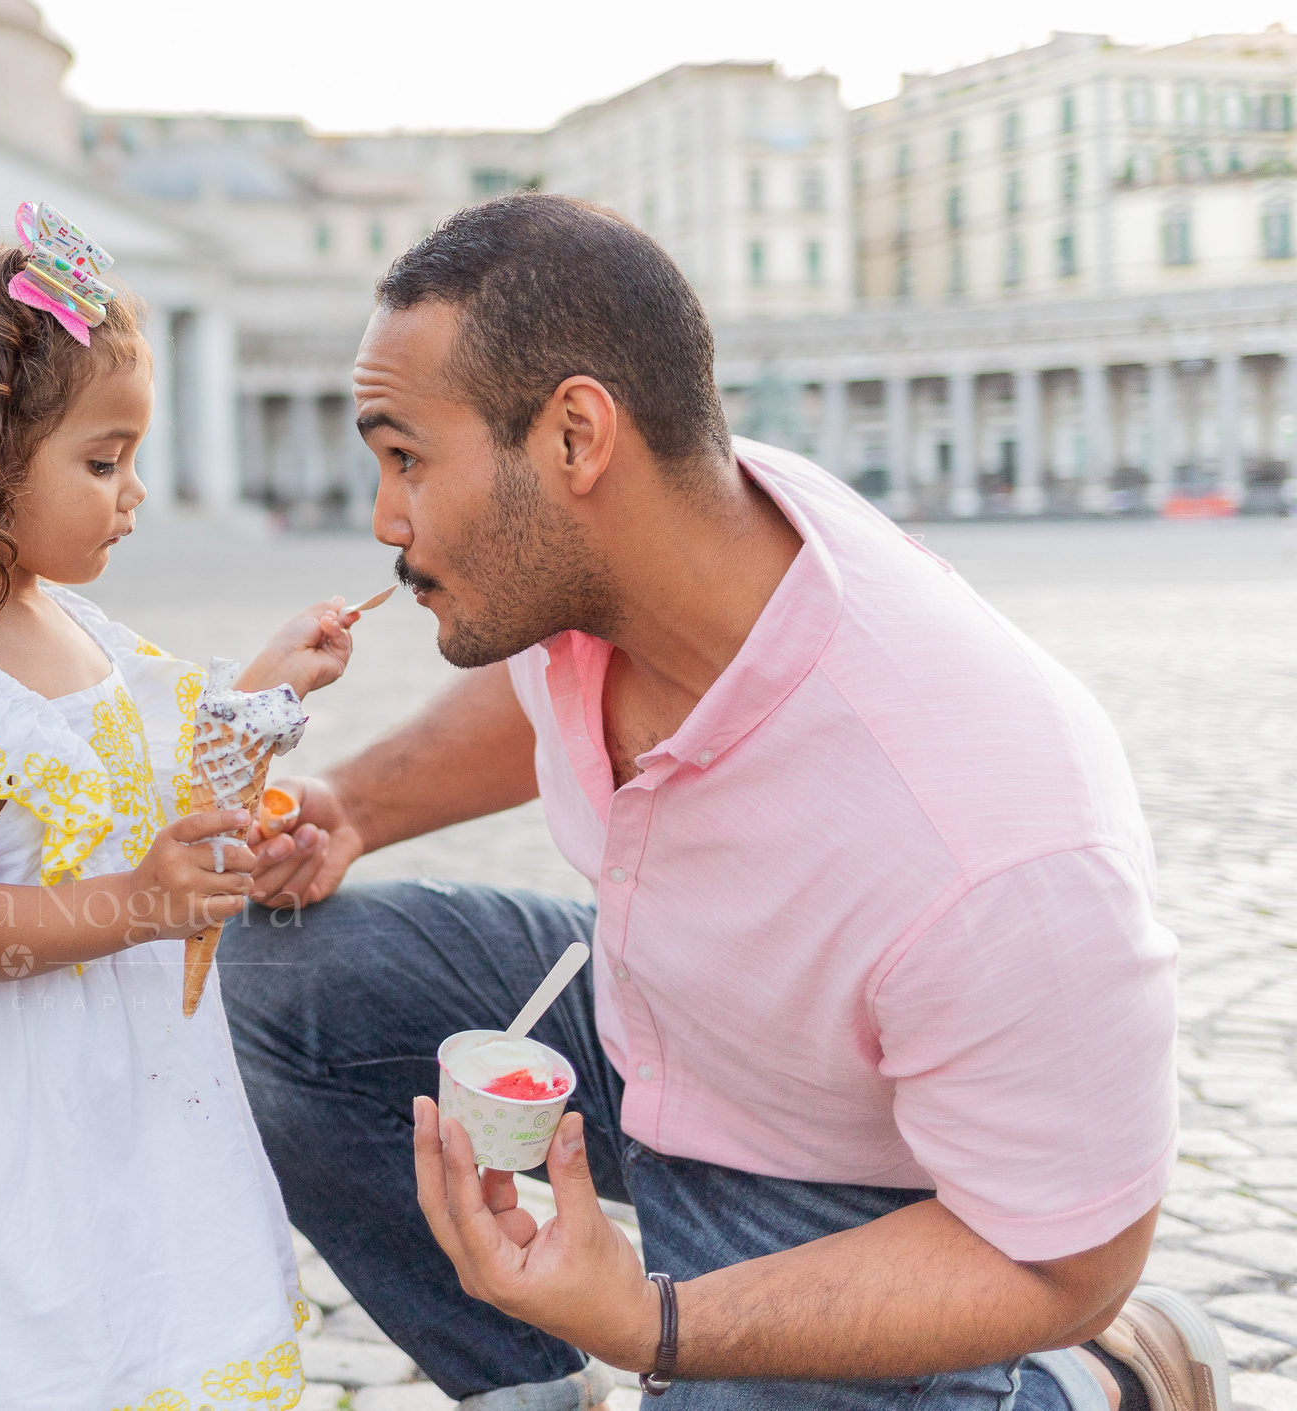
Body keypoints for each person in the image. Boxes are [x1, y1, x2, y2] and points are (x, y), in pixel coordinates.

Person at [223, 193, 1226, 1410]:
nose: (384, 519)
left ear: (575, 439)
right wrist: (353, 803)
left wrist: (655, 1323)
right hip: (652, 1016)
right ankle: (541, 1392)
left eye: (406, 459)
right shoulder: (665, 540)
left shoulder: (990, 839)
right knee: (276, 988)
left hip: (846, 1180)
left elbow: (1067, 1258)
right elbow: (551, 675)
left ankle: (1096, 1389)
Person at [0, 206, 355, 1411]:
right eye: (101, 462)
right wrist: (140, 901)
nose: (133, 493)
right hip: (14, 1113)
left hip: (130, 1091)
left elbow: (135, 776)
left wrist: (257, 704)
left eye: (131, 458)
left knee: (143, 1325)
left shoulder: (71, 620)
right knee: (42, 1352)